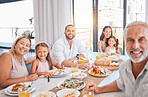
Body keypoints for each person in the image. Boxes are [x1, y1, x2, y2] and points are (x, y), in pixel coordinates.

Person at [87, 21, 148, 97]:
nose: (135, 46)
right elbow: (119, 84)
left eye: (141, 40)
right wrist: (98, 89)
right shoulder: (124, 66)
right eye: (130, 40)